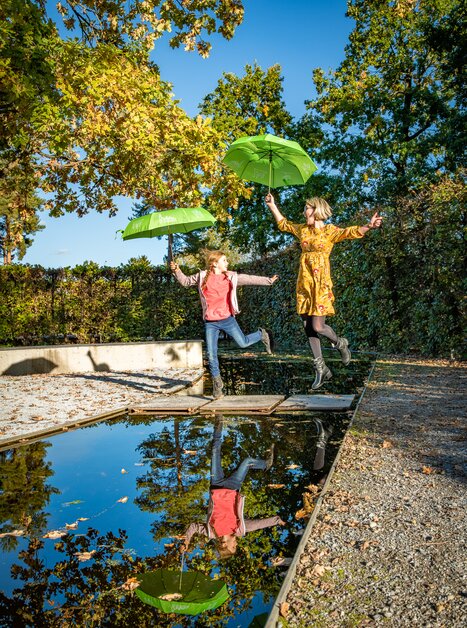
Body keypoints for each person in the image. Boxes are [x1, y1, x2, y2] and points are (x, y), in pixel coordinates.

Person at [264, 193, 382, 389]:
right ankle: (321, 368)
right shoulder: (303, 230)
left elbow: (350, 232)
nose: (304, 212)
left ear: (316, 210)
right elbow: (284, 224)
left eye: (307, 208)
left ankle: (340, 343)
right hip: (305, 282)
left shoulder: (329, 231)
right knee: (307, 326)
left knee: (318, 326)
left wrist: (369, 226)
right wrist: (272, 205)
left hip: (321, 282)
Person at [170, 250, 278, 399]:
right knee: (211, 355)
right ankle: (217, 384)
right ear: (215, 263)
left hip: (228, 319)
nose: (227, 263)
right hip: (210, 323)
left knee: (243, 343)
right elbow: (186, 281)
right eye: (224, 260)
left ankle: (262, 334)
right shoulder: (202, 276)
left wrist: (268, 280)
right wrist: (177, 270)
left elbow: (248, 279)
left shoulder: (231, 277)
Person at [182, 416, 285, 559]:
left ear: (224, 545)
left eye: (234, 546)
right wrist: (277, 521)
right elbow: (258, 524)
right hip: (233, 487)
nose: (236, 544)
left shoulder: (210, 532)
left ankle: (219, 422)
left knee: (214, 450)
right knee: (248, 462)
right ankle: (266, 464)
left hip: (216, 485)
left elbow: (193, 527)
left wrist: (186, 540)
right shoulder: (239, 529)